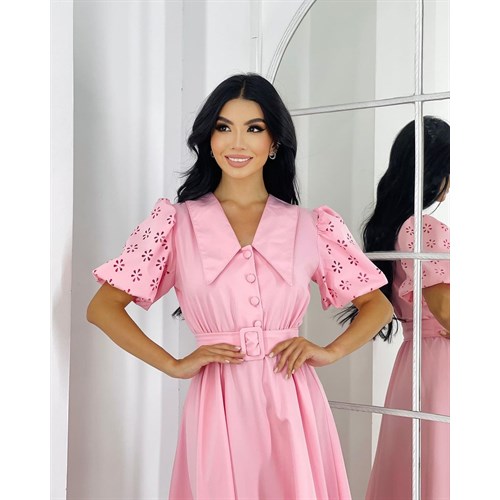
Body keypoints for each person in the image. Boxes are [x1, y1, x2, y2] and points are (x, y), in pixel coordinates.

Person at [87, 72, 393, 500]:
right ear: (209, 138)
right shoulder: (175, 224)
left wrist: (330, 352)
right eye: (224, 127)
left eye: (254, 129)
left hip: (292, 399)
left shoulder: (310, 225)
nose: (237, 143)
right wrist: (173, 364)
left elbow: (378, 305)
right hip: (219, 400)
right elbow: (103, 307)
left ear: (274, 142)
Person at [356, 116, 450, 499]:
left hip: (415, 362)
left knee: (417, 465)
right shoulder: (424, 228)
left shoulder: (396, 227)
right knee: (439, 464)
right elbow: (447, 311)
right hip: (442, 361)